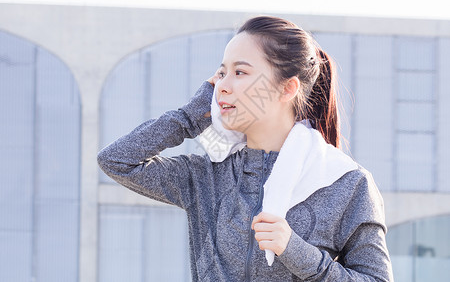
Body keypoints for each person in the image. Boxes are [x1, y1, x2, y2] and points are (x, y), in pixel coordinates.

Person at [97, 15, 394, 281]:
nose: (222, 85)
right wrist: (192, 115)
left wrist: (298, 252)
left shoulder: (346, 183)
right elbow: (117, 160)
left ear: (287, 88)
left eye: (240, 72)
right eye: (221, 73)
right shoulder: (207, 173)